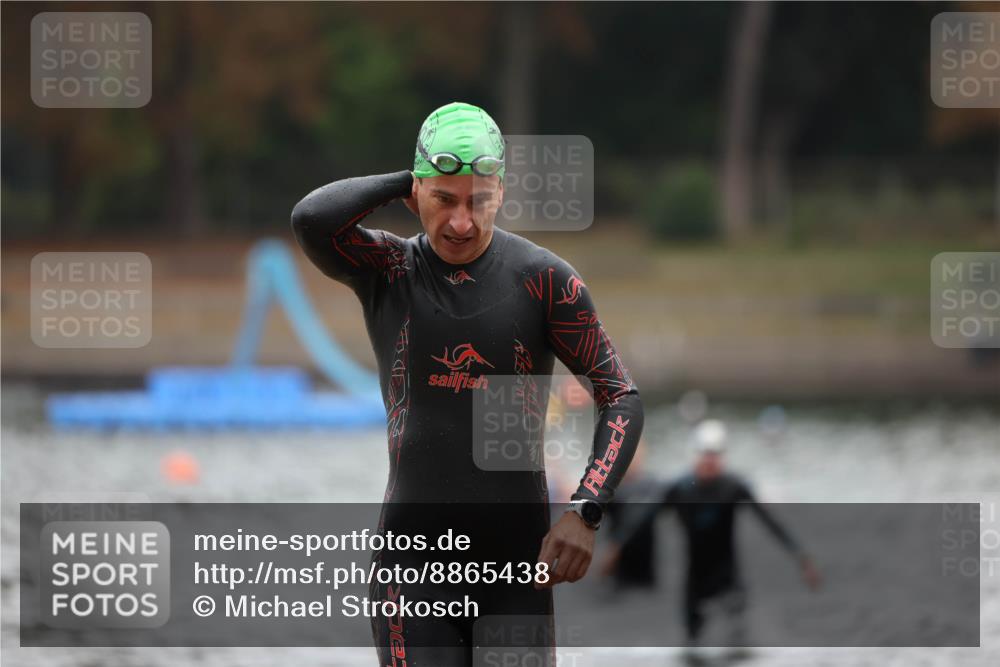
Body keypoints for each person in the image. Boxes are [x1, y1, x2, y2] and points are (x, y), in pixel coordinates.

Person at [291, 101, 644, 665]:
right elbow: (313, 219)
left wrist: (585, 510)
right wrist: (412, 175)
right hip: (412, 570)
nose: (462, 222)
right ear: (415, 194)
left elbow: (620, 396)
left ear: (500, 192)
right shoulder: (390, 271)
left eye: (478, 200)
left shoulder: (545, 281)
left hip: (515, 573)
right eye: (443, 199)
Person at [602, 419, 820, 660]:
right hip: (695, 579)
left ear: (723, 456)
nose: (710, 461)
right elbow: (644, 518)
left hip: (728, 575)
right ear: (696, 455)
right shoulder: (681, 489)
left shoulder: (733, 486)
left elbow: (770, 522)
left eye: (715, 455)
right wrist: (616, 546)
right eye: (705, 454)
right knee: (692, 649)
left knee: (737, 642)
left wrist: (801, 556)